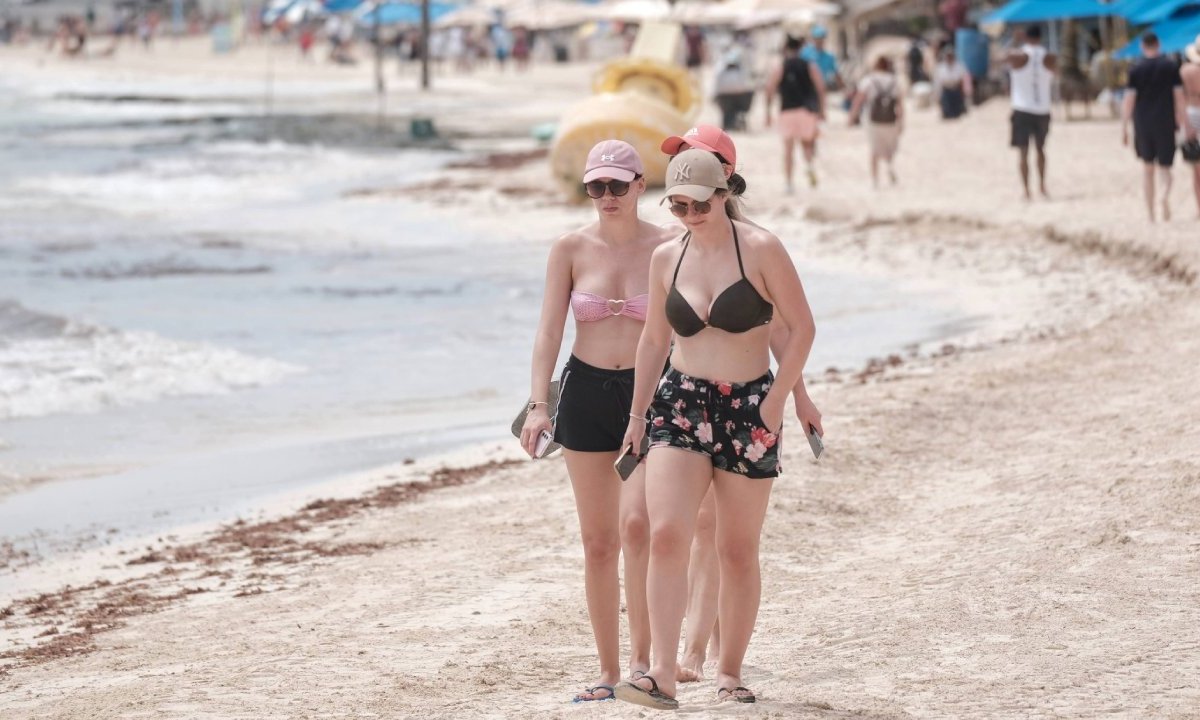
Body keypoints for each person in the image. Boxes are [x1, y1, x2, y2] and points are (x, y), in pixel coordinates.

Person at [613, 149, 822, 710]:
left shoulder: (760, 248)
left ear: (725, 193)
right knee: (665, 534)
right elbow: (654, 341)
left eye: (699, 203)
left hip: (749, 406)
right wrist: (636, 419)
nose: (688, 213)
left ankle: (730, 672)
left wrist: (781, 399)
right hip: (680, 404)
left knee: (734, 548)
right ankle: (661, 673)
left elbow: (802, 329)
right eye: (677, 203)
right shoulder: (666, 257)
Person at [519, 141, 675, 703]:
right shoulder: (569, 248)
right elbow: (547, 333)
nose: (606, 197)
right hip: (584, 391)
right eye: (596, 187)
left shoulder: (668, 244)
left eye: (617, 185)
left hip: (651, 395)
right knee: (598, 541)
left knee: (639, 529)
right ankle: (607, 671)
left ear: (640, 184)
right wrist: (539, 405)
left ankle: (643, 661)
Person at [1122, 32, 1192, 222]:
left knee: (1147, 169)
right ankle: (1163, 197)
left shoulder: (1135, 69)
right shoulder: (1170, 67)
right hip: (1166, 122)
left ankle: (1151, 214)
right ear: (1158, 45)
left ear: (1142, 46)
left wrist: (1124, 126)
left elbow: (1129, 100)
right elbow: (1179, 98)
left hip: (1143, 123)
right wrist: (1185, 122)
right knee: (1165, 168)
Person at [766, 35, 826, 192]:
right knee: (807, 144)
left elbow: (770, 89)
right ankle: (809, 166)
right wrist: (822, 109)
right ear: (801, 48)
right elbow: (821, 87)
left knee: (788, 149)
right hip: (806, 111)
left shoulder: (781, 66)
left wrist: (767, 112)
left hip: (787, 111)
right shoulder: (809, 65)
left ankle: (789, 183)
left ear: (786, 49)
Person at [1007, 25, 1056, 200]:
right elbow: (1057, 72)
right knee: (1041, 150)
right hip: (1042, 108)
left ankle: (1026, 191)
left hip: (1022, 108)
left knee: (1023, 152)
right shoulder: (1049, 57)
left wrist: (1014, 40)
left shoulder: (1018, 56)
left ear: (1026, 37)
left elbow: (1000, 56)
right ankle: (1042, 186)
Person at [849, 55, 904, 187]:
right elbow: (900, 104)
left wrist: (852, 116)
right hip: (891, 119)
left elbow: (858, 100)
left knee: (874, 149)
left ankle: (875, 179)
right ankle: (889, 166)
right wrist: (901, 122)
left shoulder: (869, 80)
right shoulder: (894, 81)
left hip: (872, 119)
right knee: (889, 147)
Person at [712, 47, 756, 131]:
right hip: (740, 97)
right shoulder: (742, 70)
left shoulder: (720, 70)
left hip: (725, 98)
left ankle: (730, 121)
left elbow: (715, 87)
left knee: (727, 107)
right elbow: (749, 85)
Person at [1182, 34, 1200, 217]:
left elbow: (1179, 97)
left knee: (1196, 164)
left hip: (1191, 112)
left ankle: (1198, 207)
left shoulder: (1185, 71)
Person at [935, 47, 972, 120]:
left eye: (951, 56)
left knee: (957, 113)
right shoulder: (940, 68)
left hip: (956, 89)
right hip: (946, 90)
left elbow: (964, 79)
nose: (949, 58)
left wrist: (966, 91)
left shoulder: (959, 66)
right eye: (948, 56)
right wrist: (937, 94)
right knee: (947, 113)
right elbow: (938, 82)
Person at [801, 25, 841, 91]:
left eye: (821, 38)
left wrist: (843, 89)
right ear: (813, 39)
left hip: (821, 88)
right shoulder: (805, 53)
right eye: (817, 38)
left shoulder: (829, 57)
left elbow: (837, 74)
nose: (819, 41)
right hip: (807, 89)